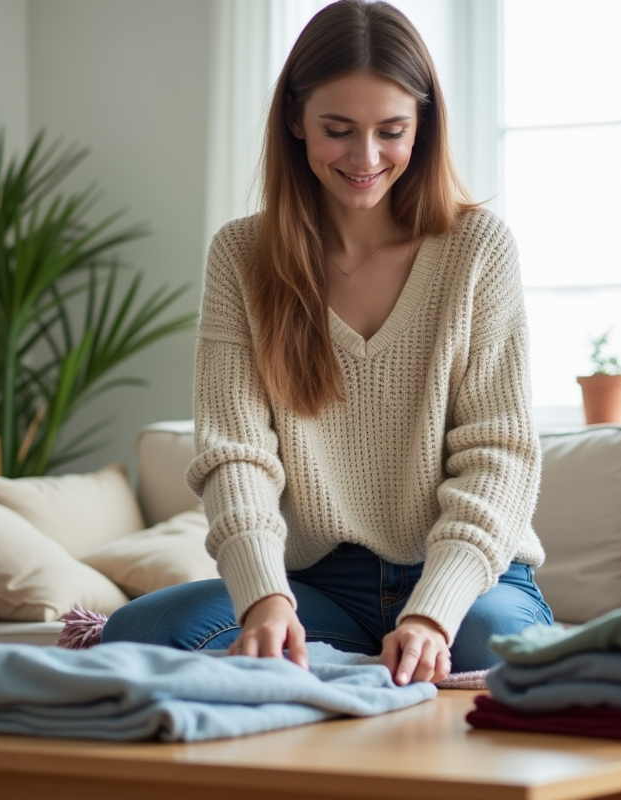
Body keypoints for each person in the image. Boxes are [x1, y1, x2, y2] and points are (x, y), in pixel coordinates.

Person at [101, 0, 553, 686]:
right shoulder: (241, 255)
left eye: (391, 131)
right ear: (294, 121)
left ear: (422, 127)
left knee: (492, 648)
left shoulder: (477, 250)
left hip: (466, 574)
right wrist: (264, 597)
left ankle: (374, 672)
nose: (366, 158)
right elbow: (235, 455)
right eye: (338, 130)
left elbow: (501, 456)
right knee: (139, 631)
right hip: (319, 581)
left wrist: (431, 615)